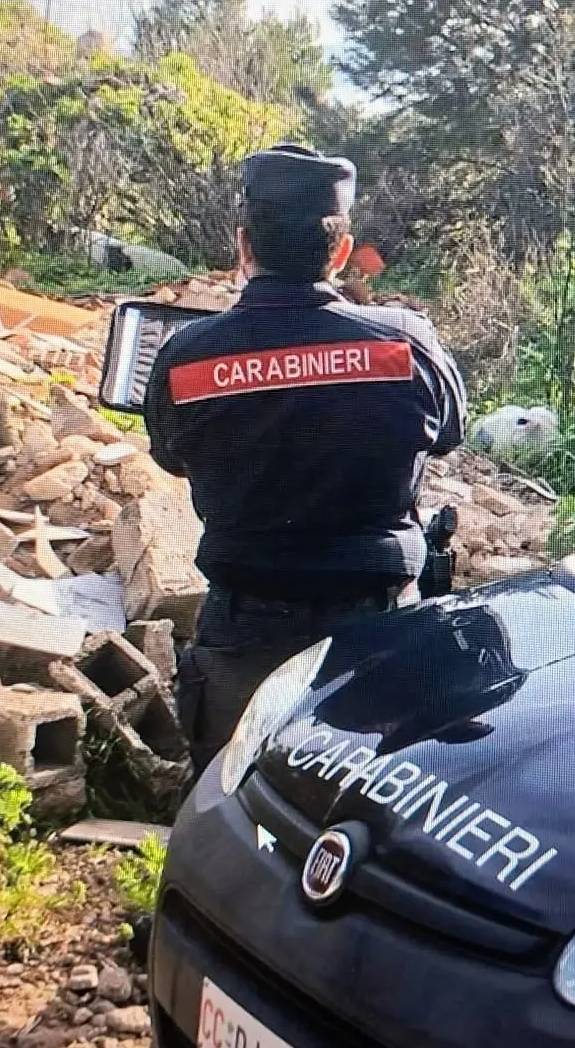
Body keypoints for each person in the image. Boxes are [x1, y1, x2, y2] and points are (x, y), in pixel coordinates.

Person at [143, 144, 469, 774]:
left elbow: (172, 455)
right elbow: (447, 432)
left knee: (234, 807)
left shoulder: (187, 356)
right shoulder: (404, 343)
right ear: (340, 251)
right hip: (377, 631)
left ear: (243, 246)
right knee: (371, 814)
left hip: (242, 632)